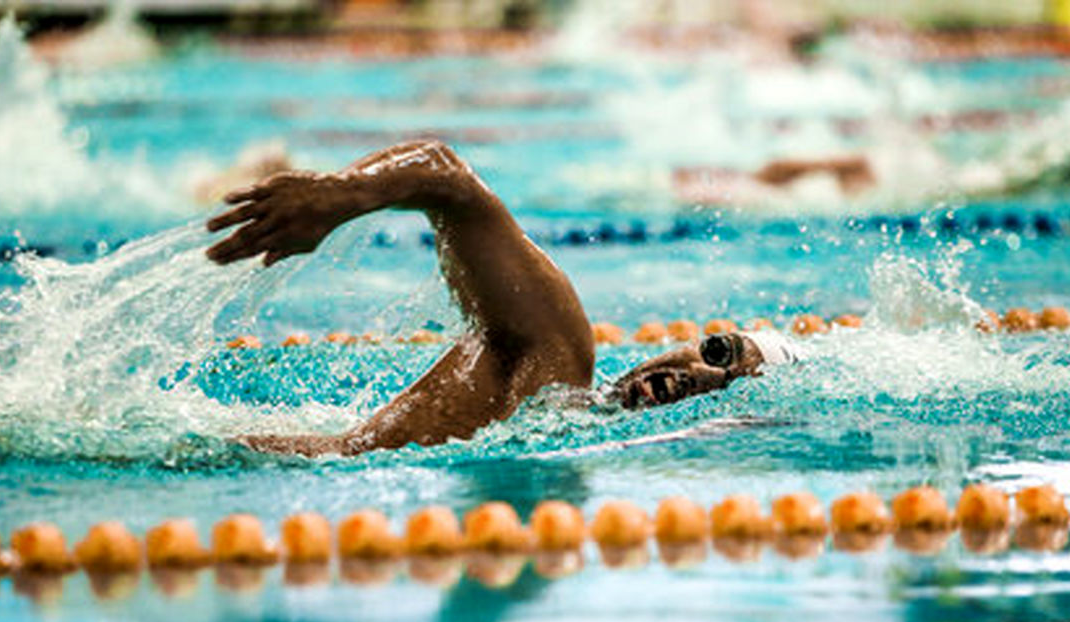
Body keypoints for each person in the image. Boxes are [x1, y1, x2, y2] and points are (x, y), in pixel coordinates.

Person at [207, 140, 797, 456]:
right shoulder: (557, 356)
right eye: (718, 353)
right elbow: (445, 174)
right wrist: (341, 196)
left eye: (725, 387)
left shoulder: (563, 427)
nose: (698, 377)